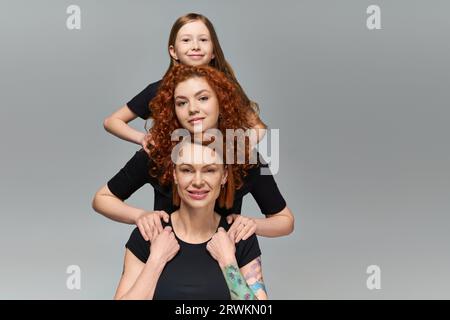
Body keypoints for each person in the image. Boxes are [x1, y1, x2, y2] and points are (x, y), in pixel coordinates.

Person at [92, 65, 294, 244]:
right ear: (174, 110)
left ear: (221, 103)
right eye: (182, 103)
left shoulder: (245, 156)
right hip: (165, 259)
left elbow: (285, 221)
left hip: (224, 263)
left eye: (203, 98)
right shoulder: (158, 153)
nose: (193, 109)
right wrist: (140, 216)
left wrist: (252, 225)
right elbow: (102, 198)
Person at [114, 140, 267, 300]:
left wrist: (228, 263)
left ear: (224, 176)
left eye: (210, 170)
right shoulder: (149, 233)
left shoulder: (239, 236)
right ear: (175, 174)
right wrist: (156, 261)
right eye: (187, 170)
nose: (198, 181)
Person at [103, 13, 266, 153]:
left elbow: (258, 127)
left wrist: (234, 150)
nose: (195, 46)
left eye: (203, 40)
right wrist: (142, 138)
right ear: (173, 52)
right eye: (186, 40)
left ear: (213, 52)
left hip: (215, 174)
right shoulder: (158, 90)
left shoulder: (226, 88)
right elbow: (112, 121)